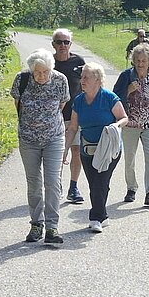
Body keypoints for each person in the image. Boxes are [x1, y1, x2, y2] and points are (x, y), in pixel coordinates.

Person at [11, 49, 69, 244]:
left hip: (54, 137)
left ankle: (52, 227)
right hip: (28, 139)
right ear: (31, 70)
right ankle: (36, 224)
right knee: (34, 182)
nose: (41, 76)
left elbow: (61, 106)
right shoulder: (21, 79)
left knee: (52, 181)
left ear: (51, 69)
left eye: (45, 72)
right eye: (37, 72)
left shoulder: (60, 80)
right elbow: (18, 105)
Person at [64, 62, 128, 233]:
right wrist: (65, 149)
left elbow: (124, 117)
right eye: (82, 77)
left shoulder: (109, 98)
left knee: (100, 181)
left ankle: (96, 218)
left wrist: (116, 125)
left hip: (109, 149)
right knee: (96, 184)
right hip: (88, 149)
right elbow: (73, 128)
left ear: (97, 79)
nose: (82, 80)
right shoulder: (79, 101)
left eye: (86, 77)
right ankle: (103, 216)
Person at [113, 43, 149, 206]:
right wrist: (128, 90)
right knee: (130, 158)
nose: (140, 64)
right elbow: (115, 98)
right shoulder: (126, 76)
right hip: (130, 124)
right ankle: (131, 188)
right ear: (133, 61)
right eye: (138, 61)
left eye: (143, 61)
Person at [52, 28, 86, 204]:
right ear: (53, 44)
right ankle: (55, 186)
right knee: (56, 153)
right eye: (59, 42)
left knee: (76, 150)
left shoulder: (79, 62)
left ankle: (73, 187)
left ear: (70, 44)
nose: (63, 45)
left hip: (75, 116)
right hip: (53, 117)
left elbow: (86, 84)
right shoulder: (48, 62)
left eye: (66, 42)